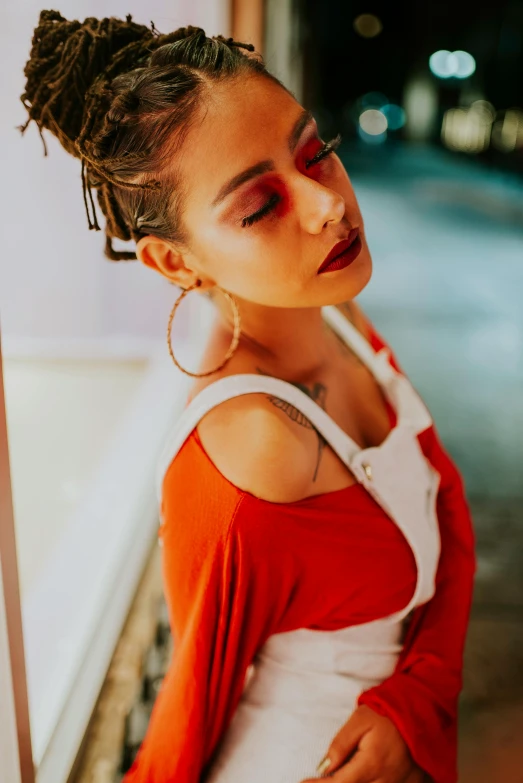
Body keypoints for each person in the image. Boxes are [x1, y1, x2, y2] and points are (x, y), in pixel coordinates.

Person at [19, 11, 477, 783]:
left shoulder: (338, 312)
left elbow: (444, 508)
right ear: (175, 262)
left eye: (316, 152)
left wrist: (417, 692)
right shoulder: (255, 443)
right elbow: (187, 709)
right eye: (260, 207)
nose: (325, 204)